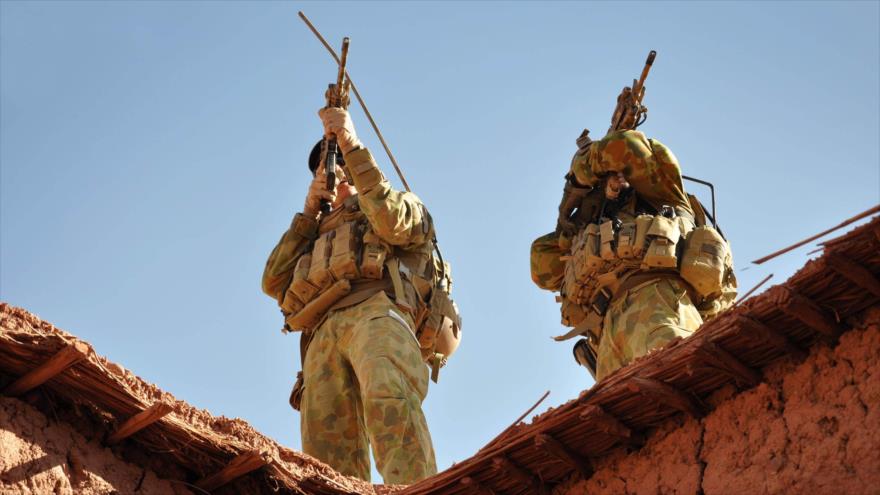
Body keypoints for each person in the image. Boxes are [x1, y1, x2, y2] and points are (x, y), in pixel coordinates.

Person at [261, 107, 456, 483]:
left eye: (339, 164)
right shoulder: (313, 232)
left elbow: (392, 220)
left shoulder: (398, 203)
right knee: (325, 450)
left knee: (389, 401)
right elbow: (273, 282)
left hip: (378, 311)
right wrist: (308, 214)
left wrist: (350, 144)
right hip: (321, 333)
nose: (332, 172)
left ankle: (414, 490)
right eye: (324, 168)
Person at [531, 129, 737, 381]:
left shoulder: (662, 193)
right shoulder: (594, 222)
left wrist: (580, 174)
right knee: (626, 403)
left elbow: (625, 144)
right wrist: (578, 216)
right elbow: (541, 265)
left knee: (681, 377)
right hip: (608, 332)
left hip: (658, 301)